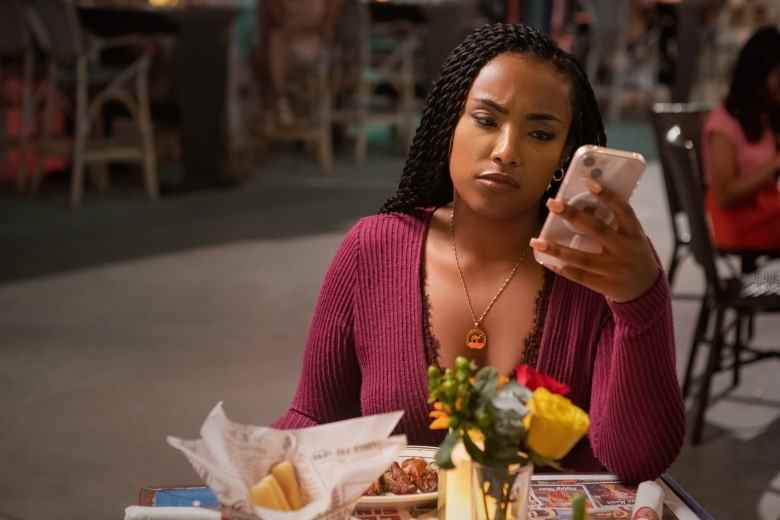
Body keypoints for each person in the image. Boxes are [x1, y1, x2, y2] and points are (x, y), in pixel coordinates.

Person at [274, 23, 684, 483]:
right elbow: (314, 418)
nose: (506, 152)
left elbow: (638, 461)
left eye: (541, 134)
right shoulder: (373, 249)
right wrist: (255, 473)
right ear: (450, 124)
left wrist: (638, 299)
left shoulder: (605, 267)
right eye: (487, 120)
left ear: (563, 156)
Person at [701, 25, 780, 251]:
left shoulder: (764, 116)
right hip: (740, 227)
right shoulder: (723, 124)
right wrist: (774, 165)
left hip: (767, 216)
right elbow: (724, 196)